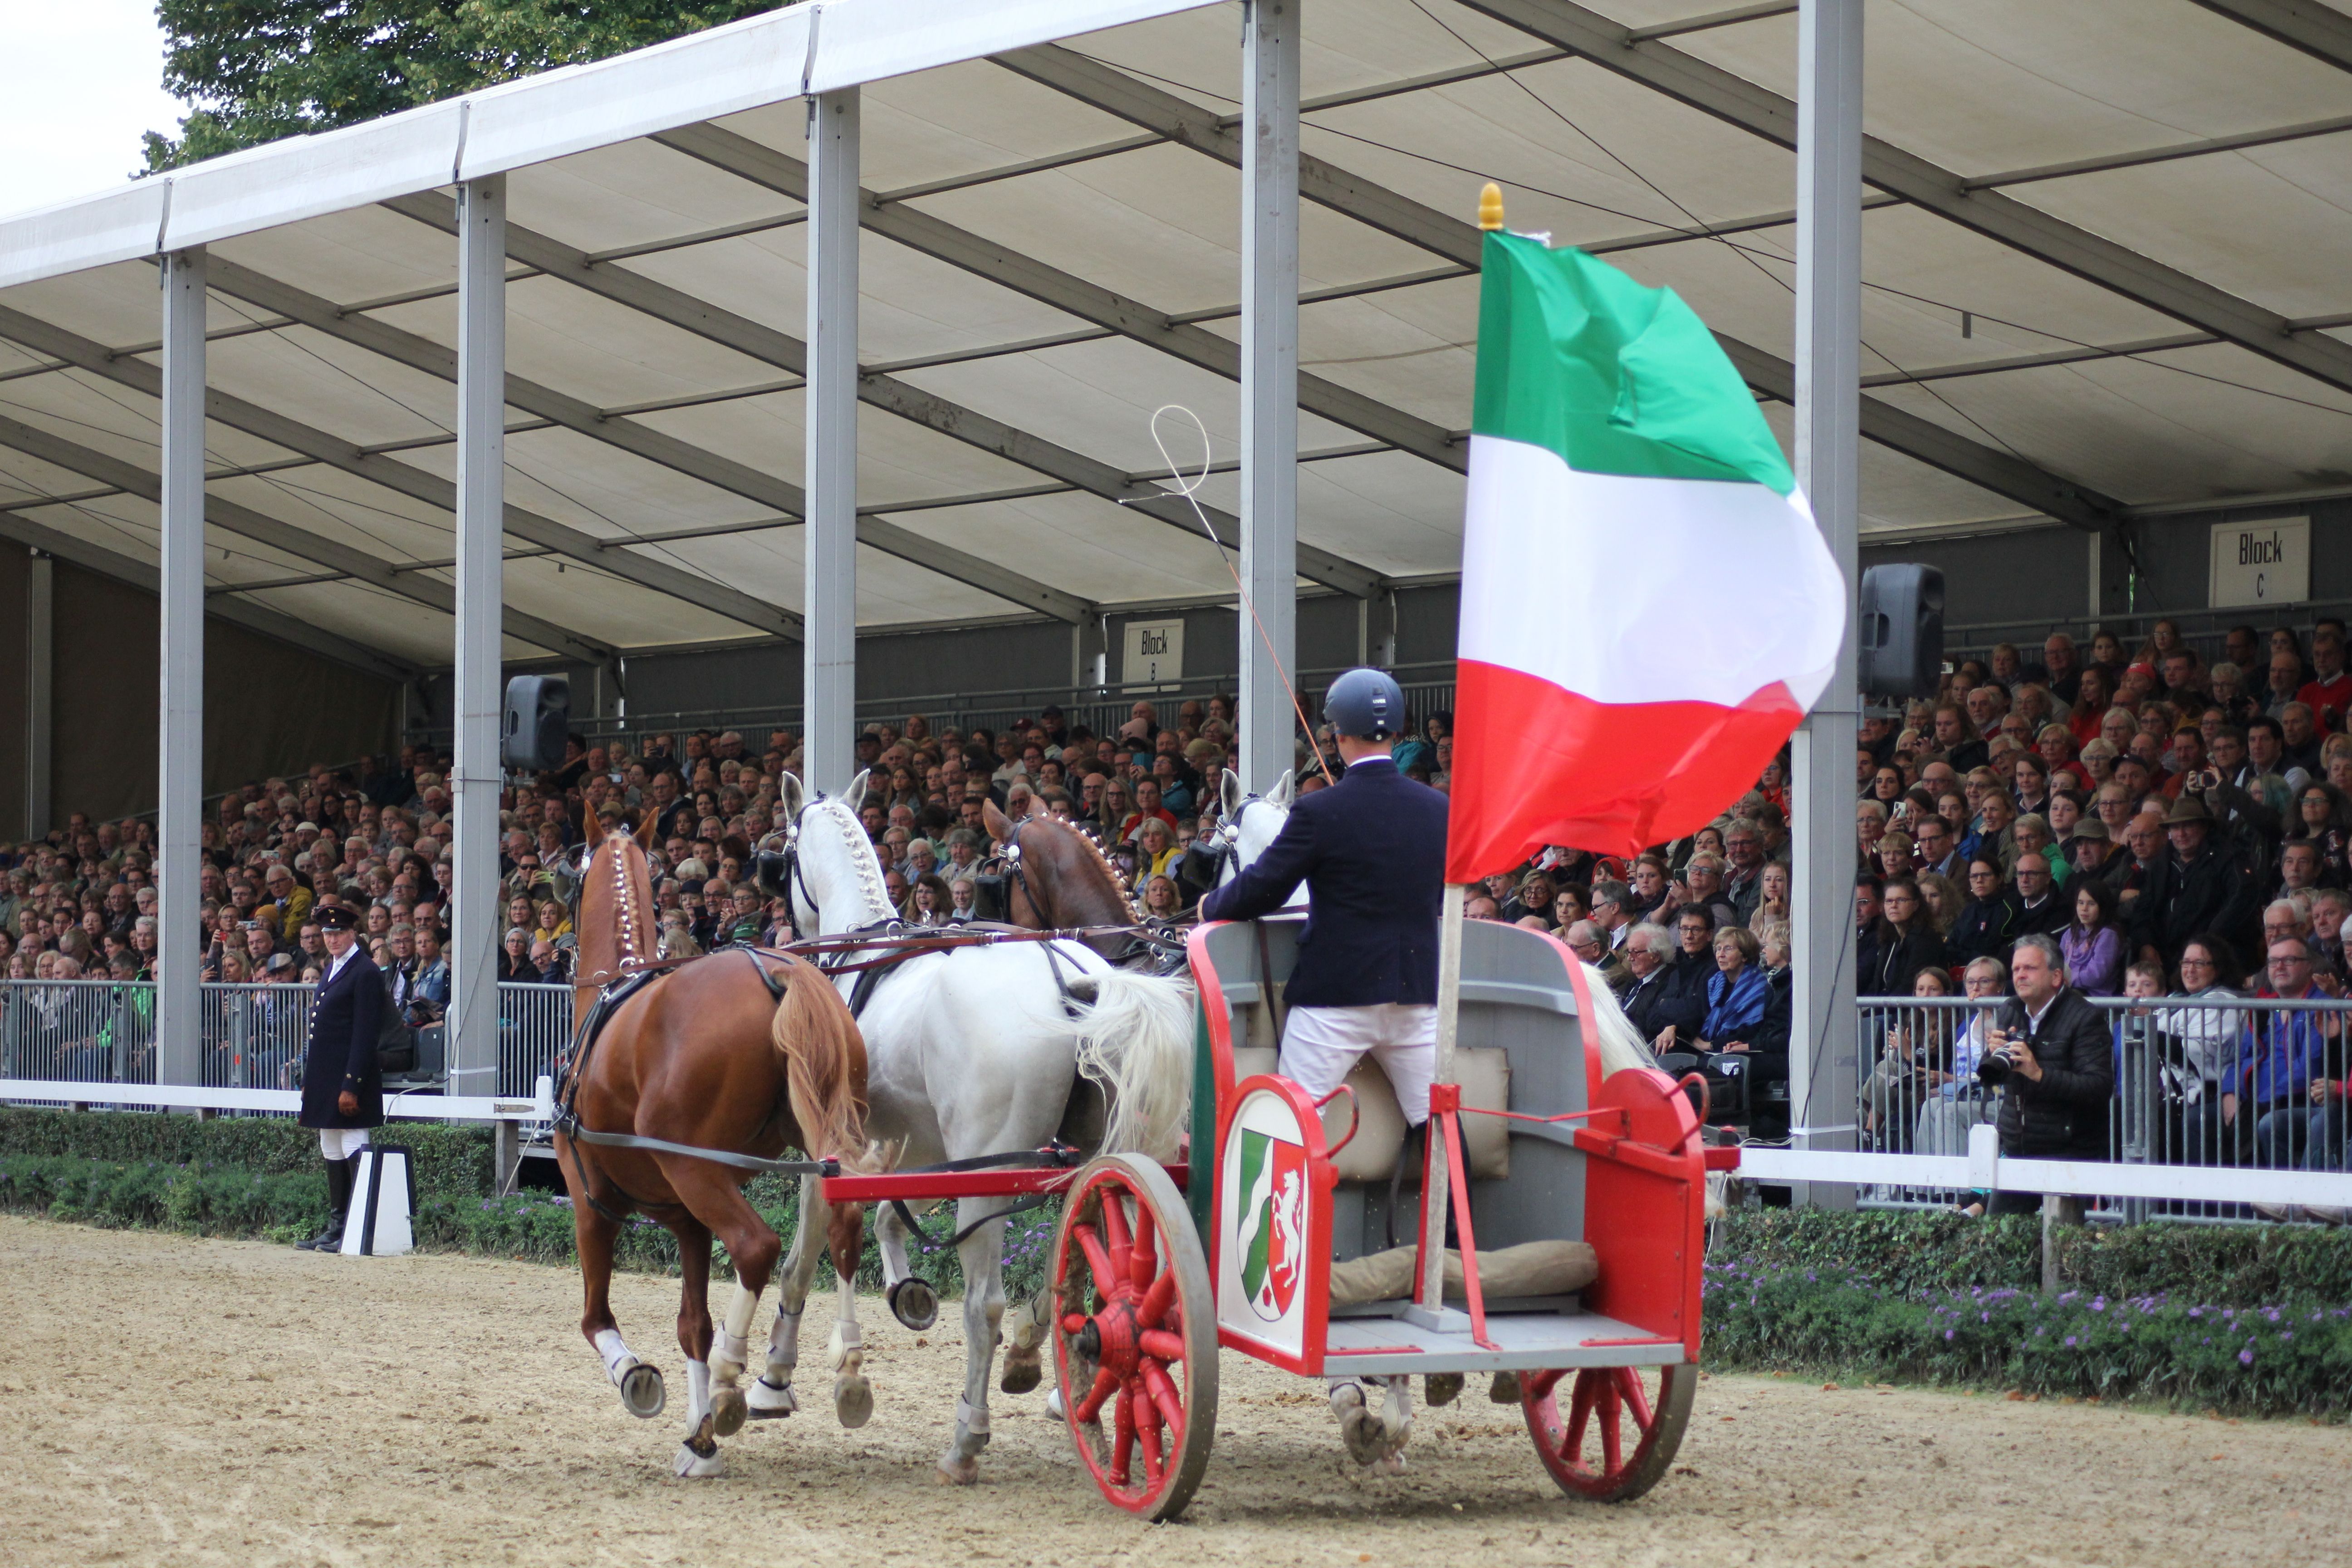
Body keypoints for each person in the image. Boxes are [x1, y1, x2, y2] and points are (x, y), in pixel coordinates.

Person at [1195, 667, 1444, 1473]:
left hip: (1334, 1001)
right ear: (1396, 730)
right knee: (1437, 1130)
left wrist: (1206, 908)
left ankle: (1282, 1270)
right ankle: (1451, 1267)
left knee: (1287, 1133)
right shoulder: (1437, 809)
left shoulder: (1319, 810)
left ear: (1335, 735)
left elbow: (1260, 888)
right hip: (1414, 1001)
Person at [1980, 934, 2115, 1213]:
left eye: (2029, 968)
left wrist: (2039, 1074)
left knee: (2060, 1247)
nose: (2020, 975)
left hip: (2069, 1151)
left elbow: (2099, 1087)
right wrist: (1991, 1055)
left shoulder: (2085, 1017)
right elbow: (1993, 1076)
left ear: (2056, 977)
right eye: (2016, 969)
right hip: (2019, 1147)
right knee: (1999, 1241)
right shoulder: (2010, 1010)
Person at [295, 903, 384, 1252]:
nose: (332, 939)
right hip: (325, 1073)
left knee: (352, 1142)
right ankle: (337, 1224)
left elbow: (364, 1034)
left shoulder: (365, 972)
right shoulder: (333, 967)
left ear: (352, 934)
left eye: (338, 933)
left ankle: (357, 1224)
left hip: (349, 1074)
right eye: (328, 934)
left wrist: (352, 1084)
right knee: (329, 1143)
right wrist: (310, 1078)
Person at [2060, 878, 2124, 996]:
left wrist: (2066, 979)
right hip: (2068, 990)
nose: (2084, 908)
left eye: (2091, 904)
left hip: (2094, 998)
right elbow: (2058, 964)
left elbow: (2096, 975)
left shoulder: (2108, 935)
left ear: (2103, 907)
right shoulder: (2069, 934)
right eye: (2080, 903)